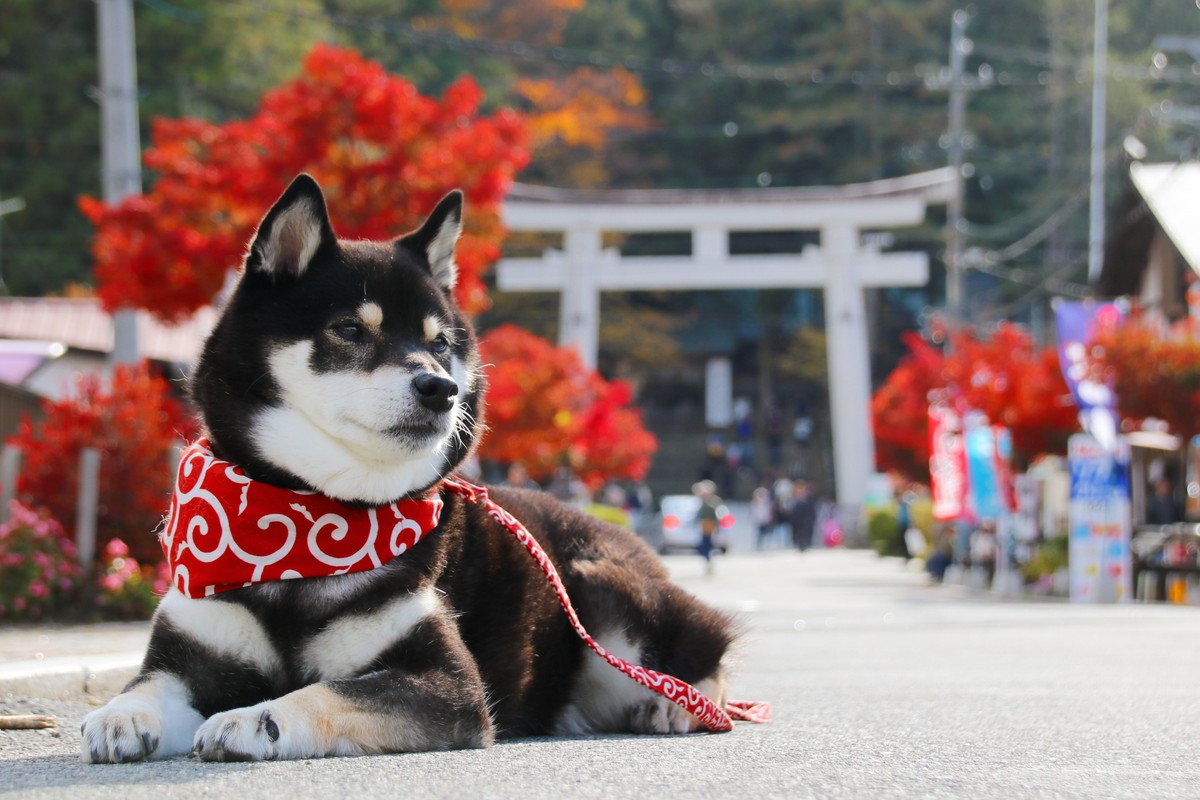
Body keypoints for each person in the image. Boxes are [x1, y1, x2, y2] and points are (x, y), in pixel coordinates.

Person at [693, 479, 722, 576]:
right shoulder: (703, 501)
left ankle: (709, 562)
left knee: (705, 546)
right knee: (703, 547)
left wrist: (717, 527)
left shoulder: (712, 501)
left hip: (710, 527)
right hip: (704, 526)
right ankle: (708, 562)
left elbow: (717, 515)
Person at [788, 480, 816, 551]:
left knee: (805, 533)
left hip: (805, 520)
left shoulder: (808, 498)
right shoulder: (793, 499)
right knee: (798, 533)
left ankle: (805, 544)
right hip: (797, 520)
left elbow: (811, 510)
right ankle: (799, 545)